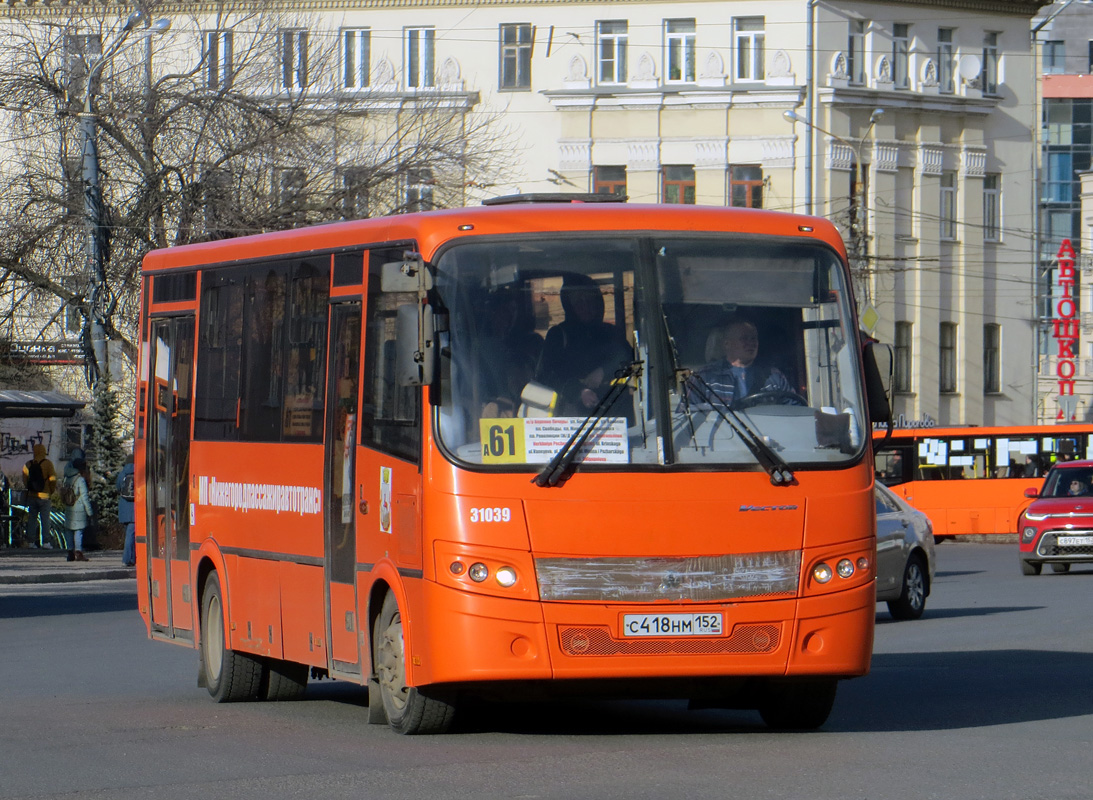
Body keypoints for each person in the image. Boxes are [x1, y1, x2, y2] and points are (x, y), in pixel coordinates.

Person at [536, 274, 632, 415]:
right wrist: (579, 391)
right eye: (579, 302)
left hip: (613, 408)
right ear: (569, 306)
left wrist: (604, 371)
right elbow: (549, 375)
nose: (585, 306)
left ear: (598, 302)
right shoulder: (558, 335)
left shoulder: (610, 332)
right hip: (571, 415)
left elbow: (628, 358)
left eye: (590, 300)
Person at [688, 316, 792, 407]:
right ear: (727, 344)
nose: (751, 343)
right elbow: (687, 417)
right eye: (744, 339)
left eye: (753, 338)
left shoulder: (774, 377)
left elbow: (794, 411)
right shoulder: (704, 377)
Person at [477, 286, 544, 418]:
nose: (509, 315)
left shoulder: (526, 342)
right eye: (504, 310)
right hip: (497, 406)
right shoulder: (480, 346)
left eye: (513, 310)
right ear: (492, 312)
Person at [22, 443, 57, 549]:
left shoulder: (28, 464)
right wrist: (50, 491)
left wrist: (31, 489)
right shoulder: (48, 464)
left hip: (32, 496)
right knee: (45, 519)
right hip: (45, 496)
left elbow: (25, 480)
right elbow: (53, 479)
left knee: (32, 518)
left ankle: (31, 542)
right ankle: (46, 542)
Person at [61, 457, 94, 562]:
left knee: (69, 531)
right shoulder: (80, 479)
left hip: (68, 507)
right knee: (79, 531)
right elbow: (85, 497)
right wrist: (90, 511)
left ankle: (70, 552)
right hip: (79, 509)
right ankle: (78, 552)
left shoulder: (66, 478)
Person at [117, 454, 136, 567]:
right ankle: (127, 559)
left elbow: (118, 487)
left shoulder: (122, 473)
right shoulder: (138, 472)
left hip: (124, 508)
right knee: (131, 535)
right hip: (134, 509)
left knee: (129, 534)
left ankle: (131, 558)